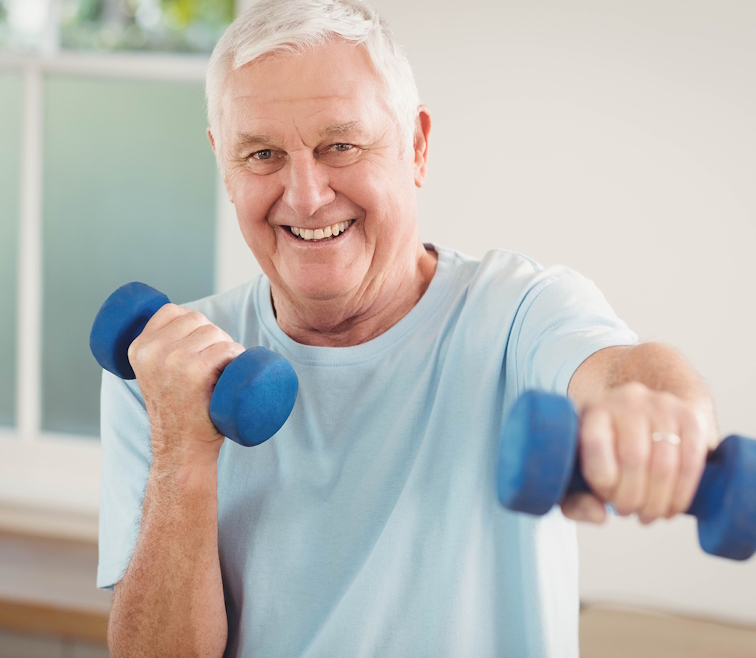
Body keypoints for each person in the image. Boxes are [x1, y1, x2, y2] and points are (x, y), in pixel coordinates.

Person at [98, 1, 717, 656]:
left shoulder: (519, 313)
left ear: (417, 147)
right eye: (263, 154)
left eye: (340, 145)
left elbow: (627, 369)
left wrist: (662, 412)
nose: (305, 195)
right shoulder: (168, 369)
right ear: (223, 162)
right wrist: (183, 452)